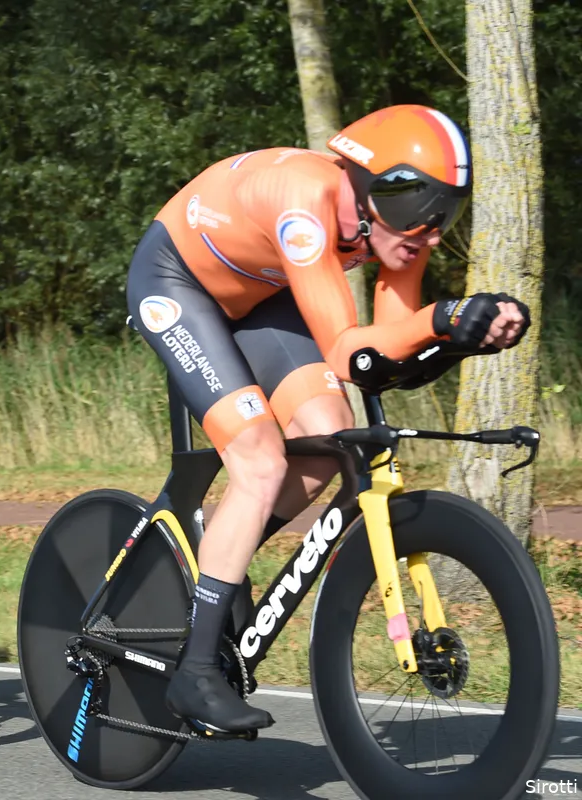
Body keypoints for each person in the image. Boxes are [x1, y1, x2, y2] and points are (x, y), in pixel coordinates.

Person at [125, 104, 530, 732]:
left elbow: (387, 352)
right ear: (373, 186)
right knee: (259, 461)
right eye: (416, 205)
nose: (428, 230)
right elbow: (349, 348)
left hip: (263, 295)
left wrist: (462, 336)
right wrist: (445, 319)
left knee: (322, 447)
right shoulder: (306, 203)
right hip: (178, 282)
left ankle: (212, 568)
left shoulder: (400, 233)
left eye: (447, 213)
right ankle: (196, 671)